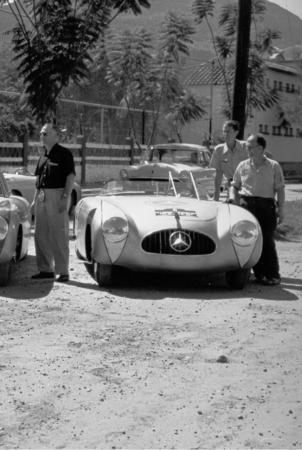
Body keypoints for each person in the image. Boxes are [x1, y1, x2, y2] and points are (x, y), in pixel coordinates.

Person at [228, 133, 285, 286]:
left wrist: (282, 210)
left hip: (266, 206)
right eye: (247, 146)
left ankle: (273, 275)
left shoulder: (273, 166)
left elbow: (280, 190)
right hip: (247, 207)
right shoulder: (243, 165)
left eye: (250, 146)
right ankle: (259, 275)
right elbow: (234, 186)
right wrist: (234, 199)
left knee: (266, 241)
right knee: (251, 241)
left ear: (260, 148)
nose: (247, 149)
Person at [31, 122, 76, 282]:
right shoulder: (43, 154)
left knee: (58, 234)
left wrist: (65, 198)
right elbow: (38, 179)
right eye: (41, 133)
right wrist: (34, 199)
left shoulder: (64, 154)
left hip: (57, 195)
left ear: (56, 136)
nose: (42, 136)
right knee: (40, 234)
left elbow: (70, 177)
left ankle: (62, 271)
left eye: (46, 133)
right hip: (42, 196)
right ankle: (45, 269)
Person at [209, 120, 248, 201]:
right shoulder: (219, 150)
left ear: (236, 132)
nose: (226, 134)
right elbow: (218, 175)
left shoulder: (246, 147)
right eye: (224, 131)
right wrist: (216, 197)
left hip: (247, 188)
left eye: (229, 131)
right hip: (231, 189)